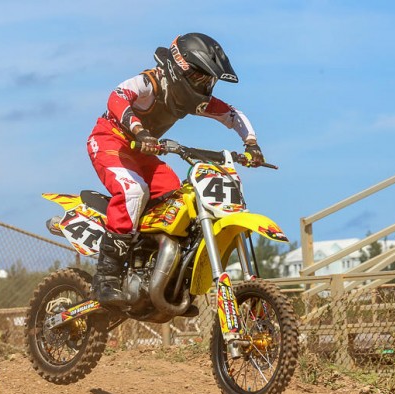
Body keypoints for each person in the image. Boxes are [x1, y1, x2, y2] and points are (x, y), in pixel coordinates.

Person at [86, 32, 265, 306]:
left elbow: (232, 115)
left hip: (144, 151)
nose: (205, 84)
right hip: (111, 142)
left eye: (209, 79)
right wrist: (140, 131)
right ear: (180, 67)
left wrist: (251, 144)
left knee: (176, 196)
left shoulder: (191, 100)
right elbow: (117, 97)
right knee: (133, 191)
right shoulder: (150, 83)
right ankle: (106, 278)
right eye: (200, 77)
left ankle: (153, 263)